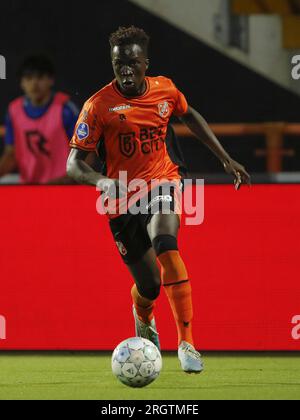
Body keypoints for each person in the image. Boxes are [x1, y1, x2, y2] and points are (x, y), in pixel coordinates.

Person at [67, 26, 251, 374]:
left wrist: (225, 158)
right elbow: (73, 164)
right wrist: (103, 181)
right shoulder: (98, 105)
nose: (126, 70)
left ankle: (187, 343)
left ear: (145, 63)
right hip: (121, 197)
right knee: (149, 285)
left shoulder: (165, 89)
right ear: (112, 63)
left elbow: (189, 114)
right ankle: (143, 314)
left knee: (166, 243)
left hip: (163, 181)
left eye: (133, 63)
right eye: (119, 63)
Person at [0, 55, 78, 184]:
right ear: (22, 82)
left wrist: (68, 179)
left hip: (63, 188)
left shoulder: (66, 109)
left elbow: (85, 153)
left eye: (40, 78)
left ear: (51, 80)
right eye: (29, 78)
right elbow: (11, 154)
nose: (34, 83)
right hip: (30, 188)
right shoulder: (14, 111)